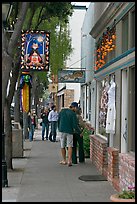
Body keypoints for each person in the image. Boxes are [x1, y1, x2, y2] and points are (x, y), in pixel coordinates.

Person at [58, 103, 82, 167]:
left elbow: (58, 120)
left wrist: (59, 128)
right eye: (76, 107)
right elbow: (75, 125)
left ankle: (64, 160)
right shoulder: (73, 114)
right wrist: (79, 132)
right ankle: (69, 161)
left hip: (62, 130)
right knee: (70, 145)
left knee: (62, 146)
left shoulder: (62, 111)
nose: (76, 109)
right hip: (70, 131)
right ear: (73, 107)